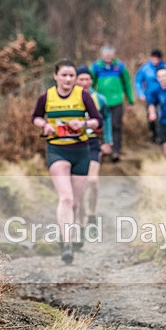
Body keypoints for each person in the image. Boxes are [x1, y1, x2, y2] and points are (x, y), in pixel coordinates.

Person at [31, 59, 102, 265]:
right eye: (64, 75)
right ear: (56, 76)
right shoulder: (47, 97)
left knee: (76, 203)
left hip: (80, 151)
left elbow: (97, 120)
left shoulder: (83, 96)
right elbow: (35, 117)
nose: (68, 79)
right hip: (57, 151)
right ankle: (66, 243)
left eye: (71, 75)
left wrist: (83, 124)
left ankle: (72, 232)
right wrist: (44, 125)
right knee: (66, 199)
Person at [75, 65, 113, 239]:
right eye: (81, 79)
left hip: (93, 143)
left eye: (87, 79)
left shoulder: (100, 99)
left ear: (91, 80)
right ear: (76, 81)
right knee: (80, 187)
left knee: (92, 181)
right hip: (75, 144)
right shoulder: (71, 98)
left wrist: (108, 141)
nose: (84, 82)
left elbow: (107, 119)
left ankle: (92, 214)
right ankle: (82, 222)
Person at [90, 45, 134, 162]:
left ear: (113, 55)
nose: (108, 57)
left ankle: (116, 151)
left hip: (117, 101)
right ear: (101, 55)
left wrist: (130, 100)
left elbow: (127, 84)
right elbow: (90, 84)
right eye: (105, 55)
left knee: (116, 125)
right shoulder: (96, 67)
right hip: (101, 103)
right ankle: (101, 150)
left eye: (110, 55)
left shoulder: (119, 67)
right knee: (100, 126)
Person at [134, 49, 166, 143]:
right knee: (151, 117)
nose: (155, 60)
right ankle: (153, 135)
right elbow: (138, 81)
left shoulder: (164, 68)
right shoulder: (145, 68)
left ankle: (162, 137)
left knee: (161, 115)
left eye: (157, 58)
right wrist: (140, 93)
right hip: (149, 96)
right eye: (153, 58)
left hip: (162, 96)